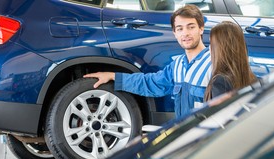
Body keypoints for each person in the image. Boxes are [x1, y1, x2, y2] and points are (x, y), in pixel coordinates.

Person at [83, 4, 212, 118]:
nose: (185, 33)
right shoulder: (177, 66)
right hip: (187, 135)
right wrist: (113, 76)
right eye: (180, 29)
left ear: (201, 28)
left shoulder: (214, 63)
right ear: (174, 33)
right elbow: (150, 83)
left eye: (191, 27)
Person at [204, 21, 257, 101]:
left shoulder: (220, 82)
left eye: (212, 44)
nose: (209, 48)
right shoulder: (253, 79)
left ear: (220, 48)